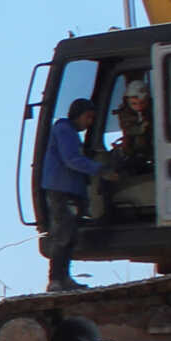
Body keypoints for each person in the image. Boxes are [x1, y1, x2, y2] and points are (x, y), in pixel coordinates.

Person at [39, 98, 105, 291]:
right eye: (88, 117)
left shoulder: (70, 133)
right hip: (62, 190)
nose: (90, 122)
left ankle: (63, 277)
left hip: (69, 189)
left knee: (69, 235)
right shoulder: (64, 131)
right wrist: (99, 169)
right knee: (63, 234)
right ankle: (56, 279)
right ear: (78, 114)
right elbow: (72, 159)